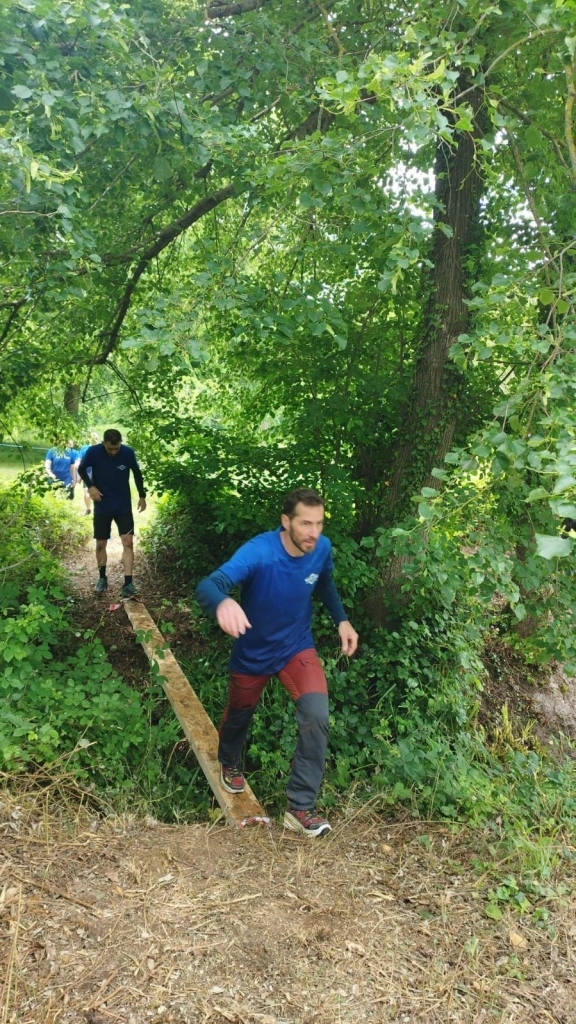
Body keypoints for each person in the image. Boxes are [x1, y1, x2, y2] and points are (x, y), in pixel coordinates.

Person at [195, 487, 358, 838]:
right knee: (239, 714)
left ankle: (300, 808)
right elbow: (209, 584)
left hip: (296, 647)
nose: (314, 532)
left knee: (317, 715)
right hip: (252, 650)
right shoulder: (260, 552)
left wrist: (341, 619)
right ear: (286, 522)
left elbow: (325, 583)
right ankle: (230, 759)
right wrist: (222, 603)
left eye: (319, 524)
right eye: (305, 523)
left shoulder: (321, 548)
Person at [77, 428, 146, 598]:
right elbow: (81, 469)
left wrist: (142, 496)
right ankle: (102, 578)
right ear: (104, 444)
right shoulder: (93, 452)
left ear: (120, 444)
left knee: (128, 542)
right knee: (101, 543)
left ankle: (128, 583)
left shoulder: (128, 453)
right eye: (110, 449)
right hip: (102, 504)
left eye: (116, 449)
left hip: (123, 505)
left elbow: (137, 474)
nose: (113, 452)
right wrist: (91, 486)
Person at [76, 433, 99, 515]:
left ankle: (97, 509)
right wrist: (78, 475)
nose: (94, 439)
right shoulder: (84, 448)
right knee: (87, 493)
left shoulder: (101, 448)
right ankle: (88, 509)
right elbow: (79, 461)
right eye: (93, 438)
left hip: (98, 473)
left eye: (95, 438)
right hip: (87, 473)